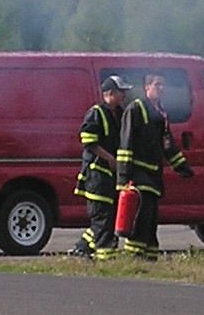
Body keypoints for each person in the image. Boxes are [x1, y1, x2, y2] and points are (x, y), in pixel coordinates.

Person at [115, 70, 193, 257]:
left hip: (154, 175)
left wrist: (182, 166)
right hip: (138, 173)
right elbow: (126, 143)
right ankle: (134, 257)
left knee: (151, 219)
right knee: (142, 218)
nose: (161, 88)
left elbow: (167, 144)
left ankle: (149, 256)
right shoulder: (135, 109)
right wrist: (124, 177)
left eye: (163, 85)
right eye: (157, 85)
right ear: (146, 87)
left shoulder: (161, 113)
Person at [75, 72, 127, 256]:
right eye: (122, 92)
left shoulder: (120, 113)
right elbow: (88, 141)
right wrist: (109, 158)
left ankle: (81, 248)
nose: (125, 96)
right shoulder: (96, 113)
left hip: (111, 177)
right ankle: (106, 258)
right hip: (97, 176)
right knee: (102, 218)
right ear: (110, 93)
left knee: (108, 218)